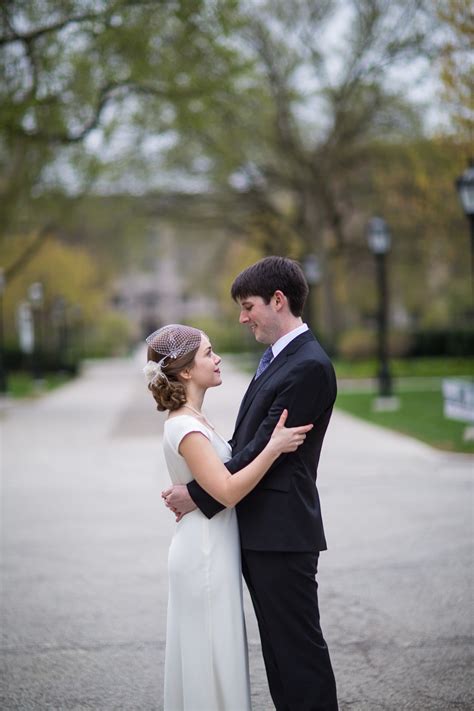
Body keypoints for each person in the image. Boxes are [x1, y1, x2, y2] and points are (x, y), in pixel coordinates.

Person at [163, 256, 339, 711]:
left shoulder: (308, 367)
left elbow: (265, 446)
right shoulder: (279, 359)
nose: (243, 318)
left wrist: (197, 495)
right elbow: (250, 442)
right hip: (262, 532)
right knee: (281, 658)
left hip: (283, 533)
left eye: (248, 307)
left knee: (298, 655)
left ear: (278, 301)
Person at [144, 323, 312, 711]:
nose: (216, 358)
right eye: (208, 353)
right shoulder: (186, 427)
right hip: (202, 554)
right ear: (185, 371)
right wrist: (273, 448)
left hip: (213, 548)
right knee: (211, 658)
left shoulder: (193, 419)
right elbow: (228, 490)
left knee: (218, 656)